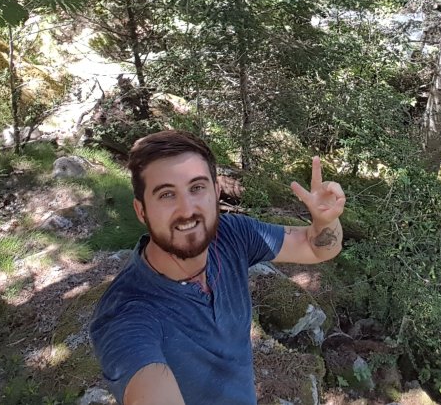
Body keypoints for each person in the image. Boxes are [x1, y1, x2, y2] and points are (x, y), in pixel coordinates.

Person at [89, 129, 345, 405]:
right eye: (166, 194)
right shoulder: (126, 315)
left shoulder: (232, 236)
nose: (187, 209)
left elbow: (317, 247)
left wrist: (325, 220)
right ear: (142, 211)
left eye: (197, 188)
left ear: (216, 191)